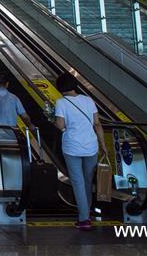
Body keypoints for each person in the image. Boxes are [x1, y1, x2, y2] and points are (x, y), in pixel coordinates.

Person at [53, 72, 107, 232]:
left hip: (72, 147)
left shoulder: (61, 102)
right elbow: (97, 124)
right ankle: (87, 212)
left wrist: (53, 121)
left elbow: (61, 125)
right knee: (88, 181)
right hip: (91, 146)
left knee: (78, 182)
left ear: (60, 87)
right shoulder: (88, 100)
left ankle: (84, 219)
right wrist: (103, 144)